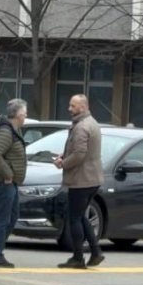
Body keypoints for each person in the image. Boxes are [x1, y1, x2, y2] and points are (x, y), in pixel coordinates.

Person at [54, 94, 105, 269]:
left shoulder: (82, 127)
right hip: (92, 178)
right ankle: (96, 251)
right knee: (81, 216)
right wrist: (65, 155)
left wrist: (63, 163)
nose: (70, 108)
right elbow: (80, 150)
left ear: (82, 107)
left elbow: (80, 154)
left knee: (74, 218)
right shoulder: (92, 122)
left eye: (73, 106)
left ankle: (78, 257)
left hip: (81, 179)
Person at [0, 99, 28, 268]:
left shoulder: (15, 130)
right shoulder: (6, 131)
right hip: (3, 181)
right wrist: (8, 173)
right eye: (24, 113)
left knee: (12, 216)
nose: (25, 116)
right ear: (17, 115)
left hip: (12, 181)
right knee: (2, 218)